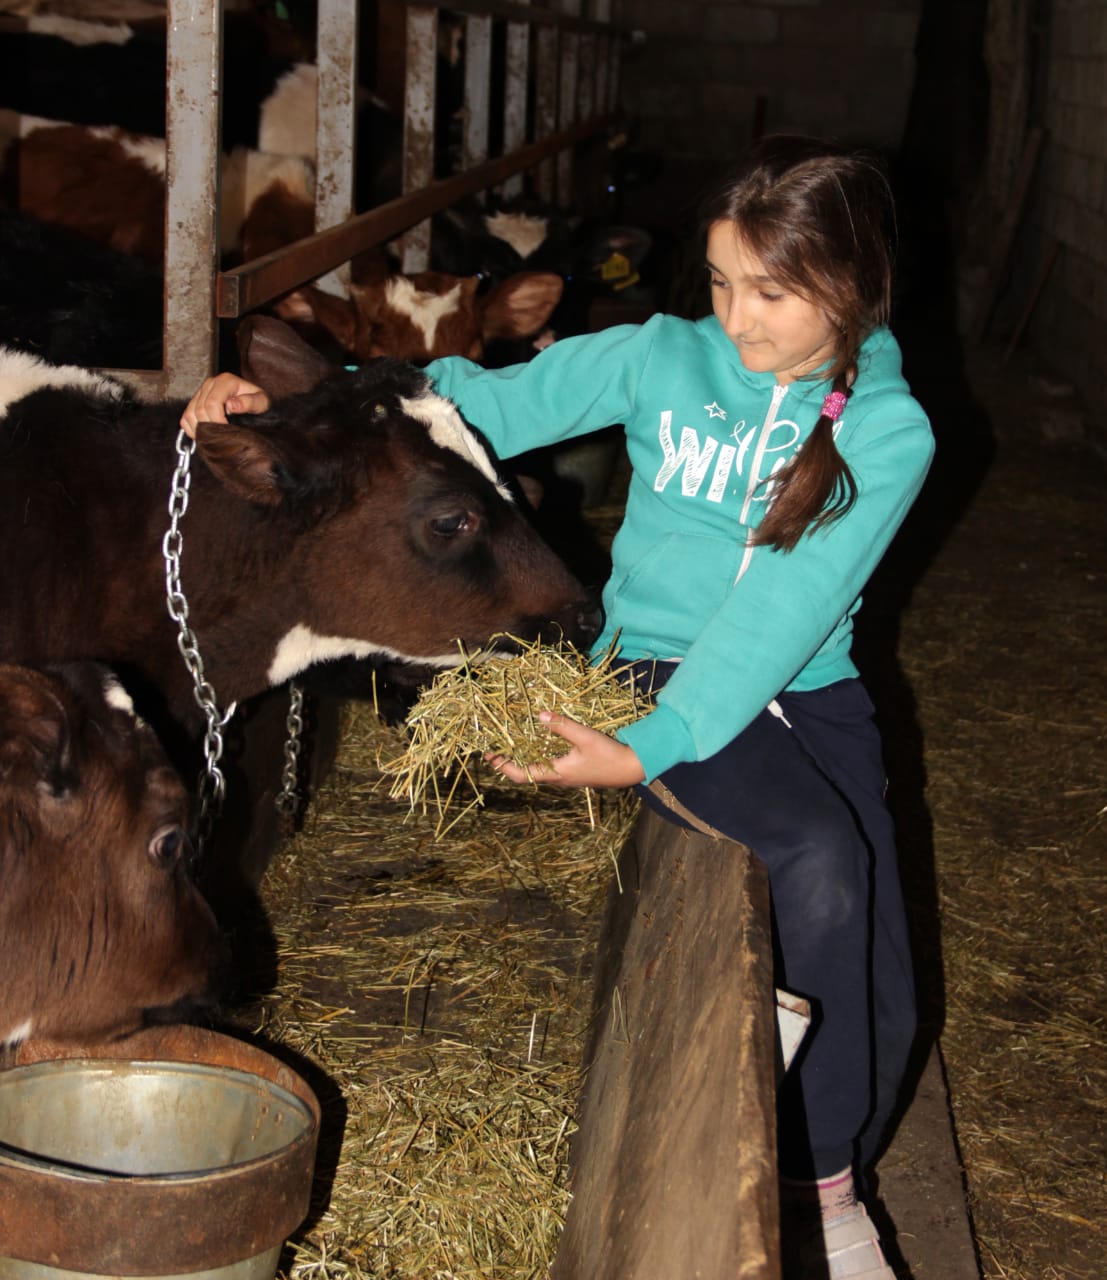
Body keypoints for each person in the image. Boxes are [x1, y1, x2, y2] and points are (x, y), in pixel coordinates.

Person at [182, 134, 933, 1280]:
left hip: (810, 686)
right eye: (723, 282)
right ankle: (823, 1189)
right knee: (820, 857)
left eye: (772, 292)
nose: (736, 319)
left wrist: (650, 760)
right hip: (655, 671)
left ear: (853, 284)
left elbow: (791, 608)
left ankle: (841, 1138)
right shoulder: (661, 356)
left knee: (880, 958)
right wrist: (289, 405)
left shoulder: (889, 432)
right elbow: (461, 400)